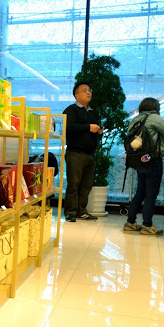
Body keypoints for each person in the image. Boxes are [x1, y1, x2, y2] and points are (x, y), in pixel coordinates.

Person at [123, 97, 164, 235]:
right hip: (153, 160)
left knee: (140, 191)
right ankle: (147, 225)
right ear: (156, 107)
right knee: (151, 193)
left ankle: (130, 222)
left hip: (140, 160)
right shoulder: (154, 117)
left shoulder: (136, 119)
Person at [63, 81, 103, 222]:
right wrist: (88, 127)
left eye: (89, 90)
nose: (88, 92)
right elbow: (69, 127)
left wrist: (99, 132)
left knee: (86, 186)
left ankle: (82, 211)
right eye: (84, 90)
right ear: (76, 95)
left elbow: (93, 131)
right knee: (73, 184)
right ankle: (70, 212)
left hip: (90, 154)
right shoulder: (71, 110)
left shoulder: (93, 112)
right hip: (75, 153)